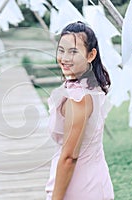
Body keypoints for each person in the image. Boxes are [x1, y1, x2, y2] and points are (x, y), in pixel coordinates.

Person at [45, 21, 114, 200]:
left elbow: (69, 157)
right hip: (94, 180)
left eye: (73, 51)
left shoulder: (78, 97)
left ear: (91, 55)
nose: (65, 58)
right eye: (61, 50)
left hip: (79, 188)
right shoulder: (89, 86)